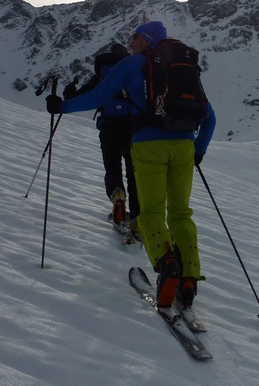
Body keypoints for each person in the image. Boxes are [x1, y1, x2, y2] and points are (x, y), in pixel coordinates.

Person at [46, 21, 216, 310]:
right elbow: (209, 117)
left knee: (150, 212)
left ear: (144, 39)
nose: (131, 41)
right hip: (185, 146)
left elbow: (99, 96)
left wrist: (61, 106)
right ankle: (188, 279)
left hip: (148, 144)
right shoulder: (183, 67)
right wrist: (197, 151)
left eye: (134, 37)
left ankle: (166, 267)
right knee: (180, 213)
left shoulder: (133, 64)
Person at [63, 43, 140, 239]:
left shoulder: (101, 75)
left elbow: (87, 96)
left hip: (108, 128)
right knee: (134, 173)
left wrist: (69, 92)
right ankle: (138, 218)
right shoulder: (131, 72)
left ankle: (118, 201)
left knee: (112, 168)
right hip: (132, 129)